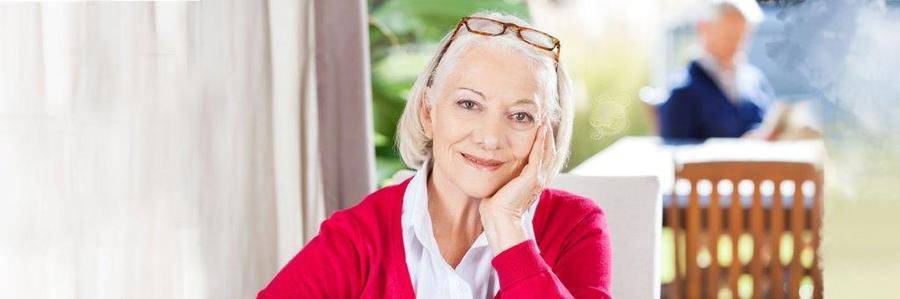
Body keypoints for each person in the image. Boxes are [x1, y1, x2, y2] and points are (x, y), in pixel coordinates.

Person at [258, 11, 611, 298]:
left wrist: (508, 227)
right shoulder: (359, 235)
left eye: (521, 116)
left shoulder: (576, 226)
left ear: (545, 133)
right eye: (469, 104)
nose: (490, 138)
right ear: (429, 113)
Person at [658, 0, 775, 140]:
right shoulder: (683, 91)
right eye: (730, 34)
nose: (738, 43)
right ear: (704, 28)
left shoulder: (755, 80)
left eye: (744, 35)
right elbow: (676, 152)